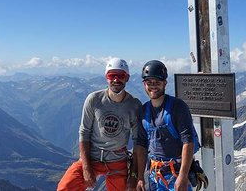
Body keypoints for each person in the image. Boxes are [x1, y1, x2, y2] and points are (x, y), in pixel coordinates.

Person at [57, 58, 141, 191]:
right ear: (106, 77)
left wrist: (133, 175)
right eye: (111, 75)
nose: (115, 79)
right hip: (92, 157)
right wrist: (86, 168)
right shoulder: (94, 100)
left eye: (121, 75)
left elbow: (138, 143)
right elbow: (84, 132)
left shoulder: (134, 106)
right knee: (65, 187)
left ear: (127, 78)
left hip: (117, 161)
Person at [135, 60, 196, 191]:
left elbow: (188, 142)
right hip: (154, 176)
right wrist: (140, 177)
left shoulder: (177, 107)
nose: (153, 86)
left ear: (165, 83)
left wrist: (183, 176)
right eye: (149, 83)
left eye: (157, 82)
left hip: (176, 175)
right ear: (144, 84)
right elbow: (141, 144)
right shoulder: (142, 111)